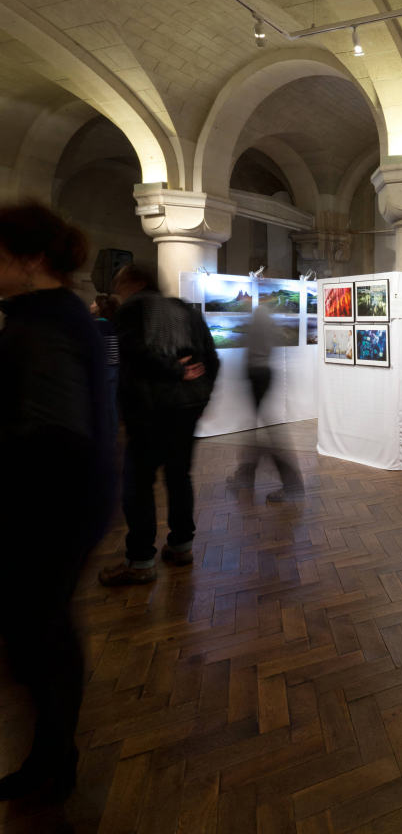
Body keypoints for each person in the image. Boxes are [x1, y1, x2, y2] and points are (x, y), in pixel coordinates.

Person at [0, 202, 114, 802]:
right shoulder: (54, 317)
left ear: (30, 259)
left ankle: (52, 759)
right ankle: (52, 755)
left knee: (40, 631)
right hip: (63, 500)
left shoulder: (46, 325)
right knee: (40, 629)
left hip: (51, 506)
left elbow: (54, 435)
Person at [98, 263, 219, 585]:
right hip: (185, 409)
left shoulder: (132, 310)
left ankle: (140, 561)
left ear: (135, 282)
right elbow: (211, 359)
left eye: (119, 284)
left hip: (149, 410)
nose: (117, 291)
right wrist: (201, 399)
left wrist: (174, 371)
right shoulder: (185, 310)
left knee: (138, 483)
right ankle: (181, 546)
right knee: (179, 477)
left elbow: (135, 354)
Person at [231, 303, 305, 502]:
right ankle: (245, 477)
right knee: (257, 432)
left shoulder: (257, 320)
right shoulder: (268, 322)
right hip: (262, 375)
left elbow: (249, 348)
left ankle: (292, 485)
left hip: (257, 376)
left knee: (267, 434)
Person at [90, 292, 120, 436]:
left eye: (93, 303)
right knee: (111, 404)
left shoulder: (96, 325)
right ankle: (112, 435)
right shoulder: (113, 324)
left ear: (99, 307)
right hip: (115, 368)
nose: (91, 305)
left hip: (103, 369)